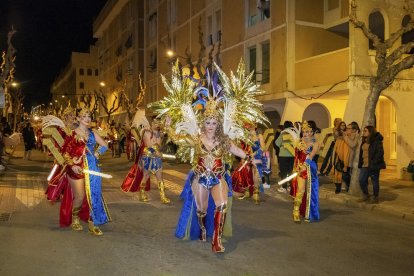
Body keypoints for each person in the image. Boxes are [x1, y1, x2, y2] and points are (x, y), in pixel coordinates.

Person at [152, 60, 268, 253]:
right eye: (208, 122)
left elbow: (240, 152)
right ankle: (204, 228)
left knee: (222, 205)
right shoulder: (195, 139)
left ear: (218, 124)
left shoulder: (225, 140)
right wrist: (168, 125)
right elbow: (177, 138)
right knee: (202, 210)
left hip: (218, 177)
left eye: (214, 122)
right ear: (203, 123)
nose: (211, 126)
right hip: (200, 178)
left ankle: (217, 239)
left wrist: (253, 159)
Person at [43, 108, 111, 235]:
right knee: (80, 197)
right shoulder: (73, 134)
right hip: (77, 168)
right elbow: (65, 152)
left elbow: (105, 145)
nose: (88, 118)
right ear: (79, 119)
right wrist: (72, 164)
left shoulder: (93, 133)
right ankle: (75, 218)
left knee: (94, 195)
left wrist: (97, 153)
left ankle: (93, 222)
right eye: (84, 116)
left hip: (92, 167)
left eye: (89, 116)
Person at [121, 117, 170, 204]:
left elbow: (161, 143)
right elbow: (147, 147)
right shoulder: (147, 132)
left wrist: (167, 124)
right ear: (151, 124)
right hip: (148, 158)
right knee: (146, 176)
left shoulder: (160, 134)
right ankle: (142, 193)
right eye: (155, 123)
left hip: (157, 159)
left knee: (160, 177)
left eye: (159, 123)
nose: (157, 125)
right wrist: (156, 152)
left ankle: (163, 196)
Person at [286, 121, 320, 223]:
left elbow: (311, 155)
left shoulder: (316, 143)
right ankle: (295, 211)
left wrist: (305, 165)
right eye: (304, 131)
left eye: (308, 131)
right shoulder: (299, 142)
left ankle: (309, 212)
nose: (305, 133)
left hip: (310, 169)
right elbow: (296, 156)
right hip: (300, 168)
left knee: (310, 191)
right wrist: (297, 167)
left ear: (313, 132)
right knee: (301, 189)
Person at [358, 125, 386, 204]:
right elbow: (362, 153)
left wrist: (374, 162)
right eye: (364, 131)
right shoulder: (364, 141)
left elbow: (380, 153)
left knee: (374, 181)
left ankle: (375, 197)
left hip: (373, 165)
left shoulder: (376, 141)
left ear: (370, 132)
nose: (364, 132)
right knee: (361, 180)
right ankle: (366, 195)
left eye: (365, 131)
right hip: (364, 164)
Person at [274, 121, 295, 193]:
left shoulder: (284, 132)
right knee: (290, 171)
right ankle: (290, 186)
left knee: (283, 171)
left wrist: (282, 146)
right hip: (292, 155)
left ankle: (284, 187)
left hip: (283, 155)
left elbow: (277, 143)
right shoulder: (294, 133)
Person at [332, 121, 349, 193]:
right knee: (337, 172)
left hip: (345, 151)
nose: (343, 126)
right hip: (337, 154)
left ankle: (346, 186)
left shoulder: (347, 133)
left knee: (344, 172)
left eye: (344, 125)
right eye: (341, 125)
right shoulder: (337, 133)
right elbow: (336, 135)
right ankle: (338, 187)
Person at [342, 122, 360, 191]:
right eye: (347, 128)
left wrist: (346, 137)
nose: (347, 129)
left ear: (354, 129)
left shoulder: (357, 136)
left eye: (349, 128)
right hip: (346, 157)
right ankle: (348, 186)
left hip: (352, 158)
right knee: (345, 173)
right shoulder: (348, 135)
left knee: (347, 174)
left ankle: (350, 187)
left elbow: (352, 144)